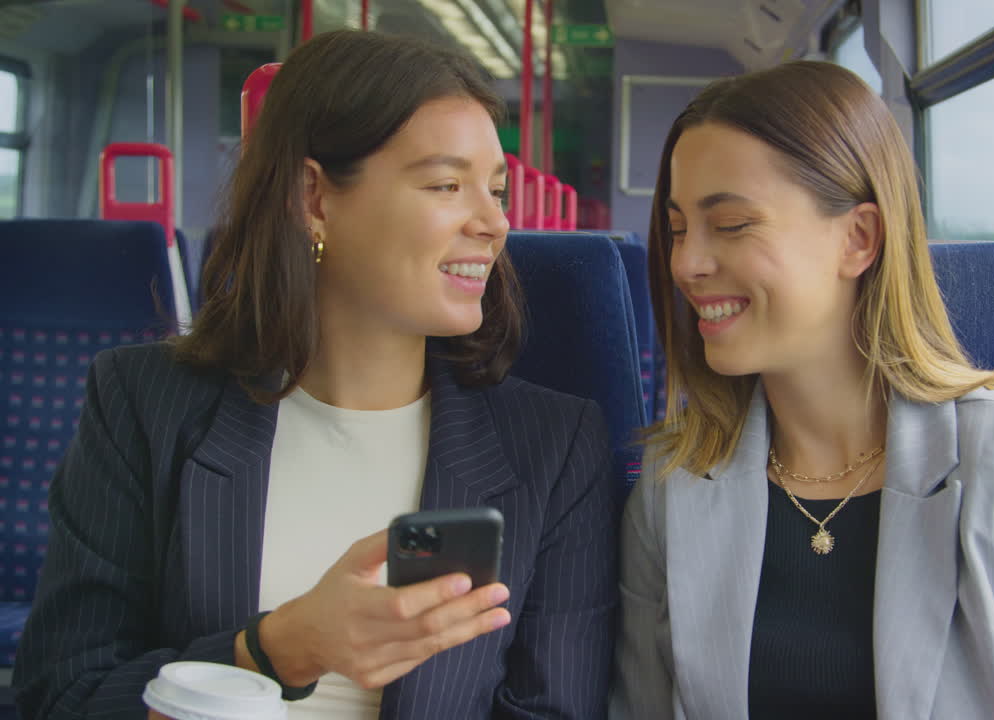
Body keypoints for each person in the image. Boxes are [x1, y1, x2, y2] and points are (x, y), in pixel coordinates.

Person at [14, 30, 618, 720]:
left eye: (497, 190)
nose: (494, 222)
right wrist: (281, 648)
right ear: (314, 199)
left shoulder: (554, 444)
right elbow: (63, 695)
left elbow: (551, 710)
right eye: (447, 185)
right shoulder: (143, 403)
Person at [610, 61, 994, 719]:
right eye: (676, 231)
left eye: (730, 225)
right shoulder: (672, 484)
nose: (686, 263)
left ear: (859, 238)